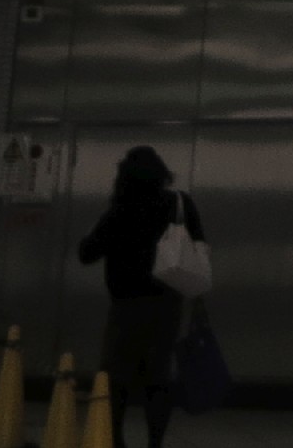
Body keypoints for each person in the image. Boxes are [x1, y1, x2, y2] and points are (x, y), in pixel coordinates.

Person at [77, 147, 203, 448]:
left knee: (117, 377)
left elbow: (87, 253)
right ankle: (155, 442)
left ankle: (117, 439)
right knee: (158, 378)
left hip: (126, 306)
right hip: (167, 305)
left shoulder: (121, 210)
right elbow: (200, 244)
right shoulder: (179, 204)